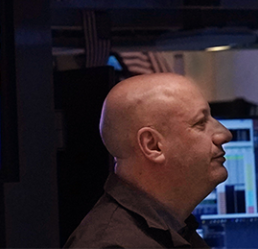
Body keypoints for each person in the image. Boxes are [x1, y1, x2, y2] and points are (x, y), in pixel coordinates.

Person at [64, 73, 232, 249]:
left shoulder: (174, 228)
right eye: (200, 123)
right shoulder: (111, 245)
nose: (225, 134)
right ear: (153, 145)